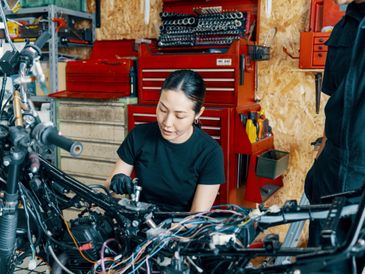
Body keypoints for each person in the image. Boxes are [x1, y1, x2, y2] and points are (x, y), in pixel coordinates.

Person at [105, 69, 225, 212]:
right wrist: (114, 183)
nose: (167, 123)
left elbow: (196, 216)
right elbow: (106, 191)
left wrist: (162, 231)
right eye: (162, 109)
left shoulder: (210, 153)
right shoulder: (139, 135)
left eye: (179, 116)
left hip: (179, 229)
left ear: (198, 113)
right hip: (138, 222)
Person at [304, 1, 365, 273]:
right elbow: (335, 99)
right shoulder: (343, 26)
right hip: (334, 169)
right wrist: (321, 159)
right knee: (325, 264)